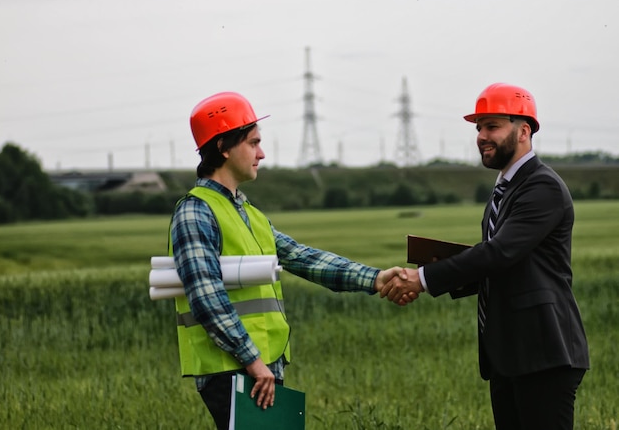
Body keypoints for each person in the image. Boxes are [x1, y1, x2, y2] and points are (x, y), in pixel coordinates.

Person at [168, 91, 414, 430]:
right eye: (253, 143)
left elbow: (303, 258)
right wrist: (253, 362)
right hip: (234, 368)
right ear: (224, 147)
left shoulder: (247, 212)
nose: (262, 153)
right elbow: (205, 297)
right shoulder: (196, 211)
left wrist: (374, 278)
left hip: (260, 366)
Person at [380, 83, 589, 429]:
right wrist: (433, 268)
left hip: (544, 353)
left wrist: (424, 279)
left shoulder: (542, 187)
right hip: (508, 356)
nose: (481, 135)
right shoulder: (505, 190)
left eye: (492, 125)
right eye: (479, 127)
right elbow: (504, 264)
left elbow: (499, 253)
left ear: (524, 131)